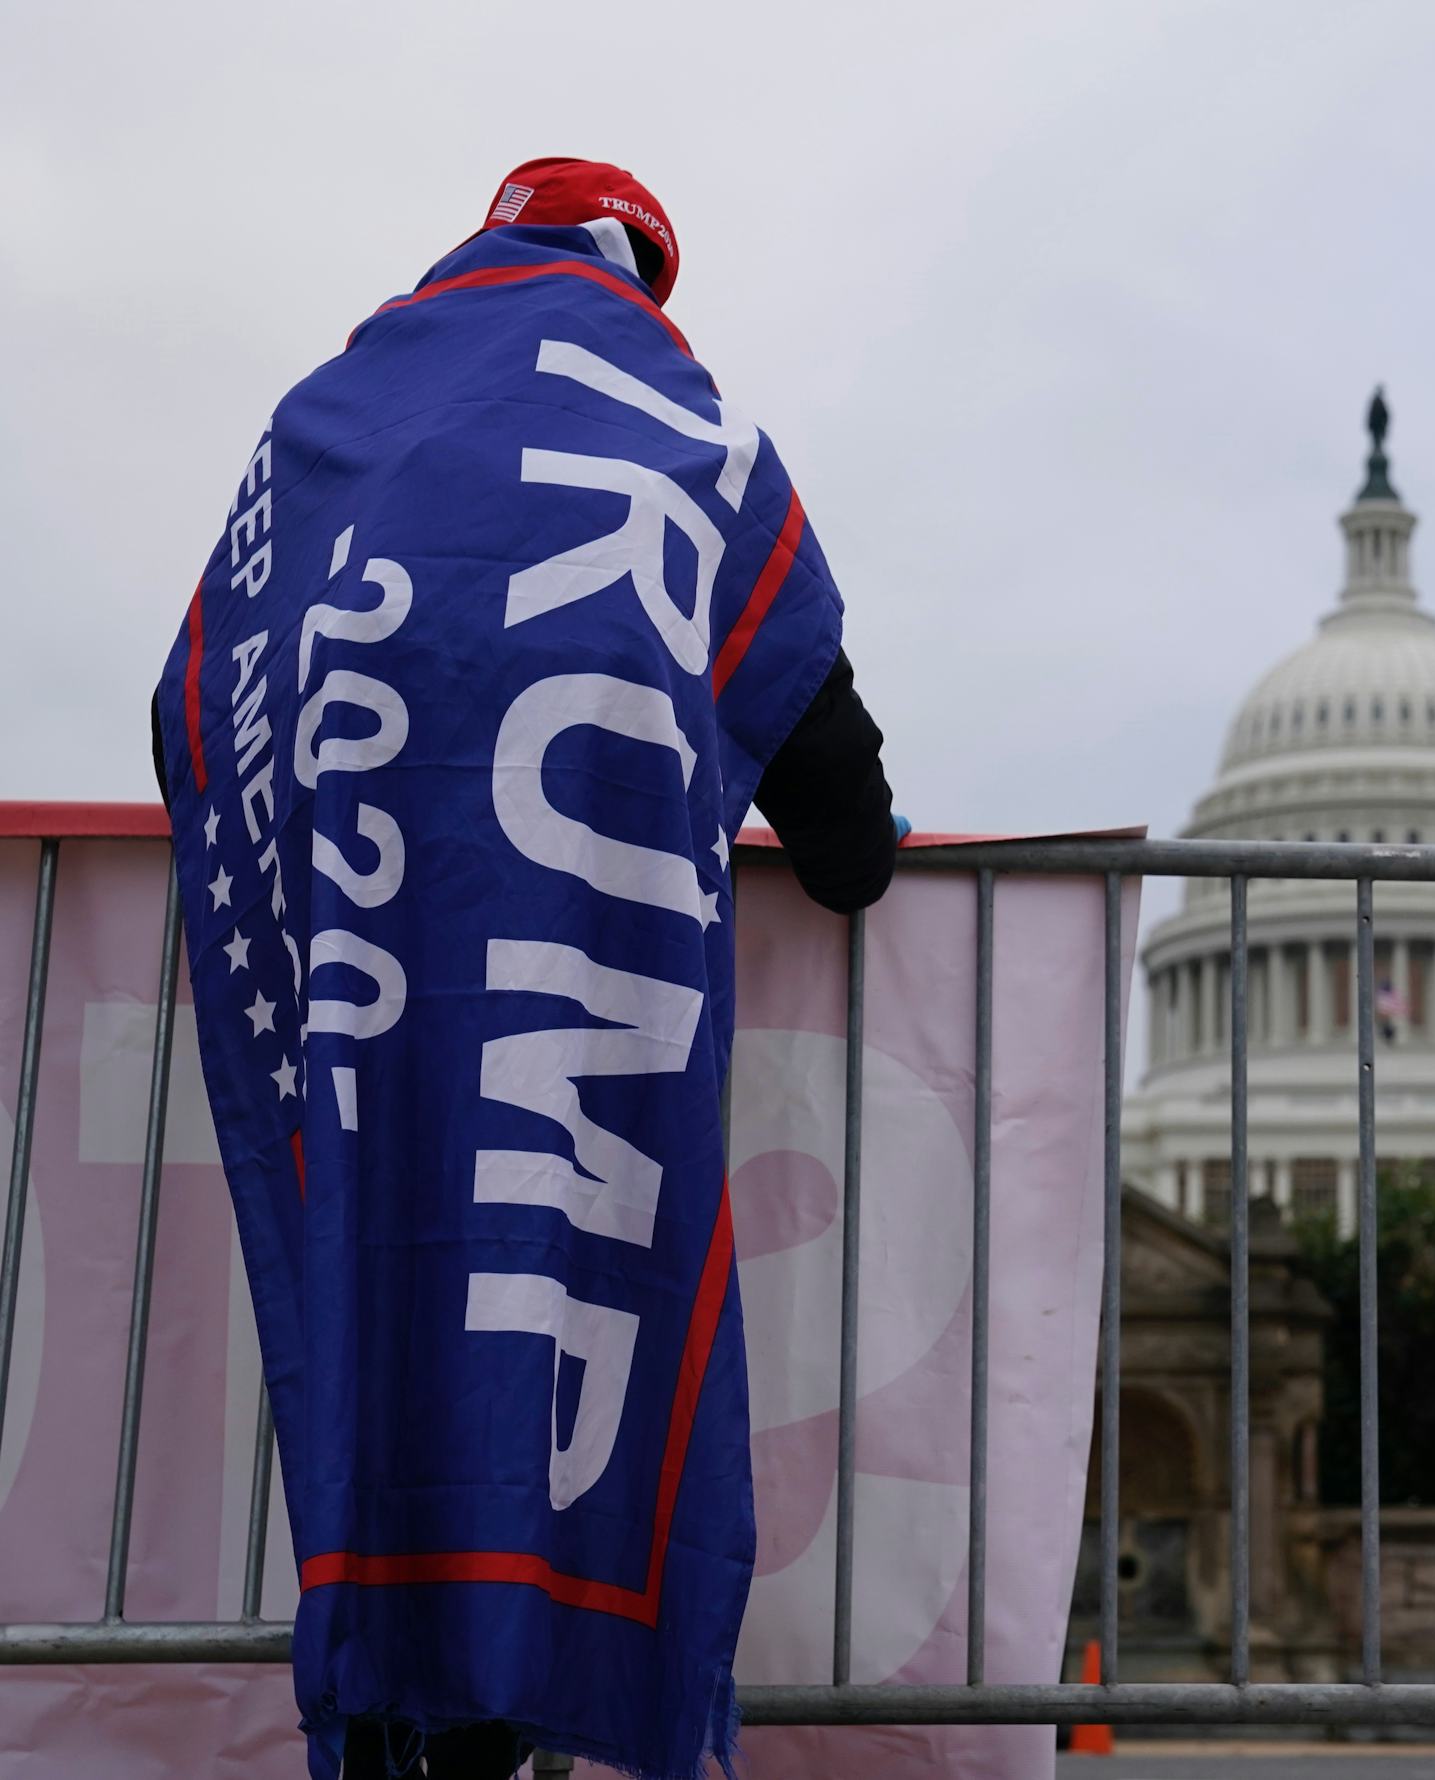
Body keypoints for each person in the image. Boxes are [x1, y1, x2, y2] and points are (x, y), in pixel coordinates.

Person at [150, 158, 901, 1780]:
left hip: (371, 971)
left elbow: (204, 685)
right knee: (563, 1324)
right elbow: (829, 764)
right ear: (641, 266)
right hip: (584, 984)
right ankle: (512, 1709)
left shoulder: (325, 421)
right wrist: (855, 850)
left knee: (390, 1305)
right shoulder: (681, 423)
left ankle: (416, 1715)